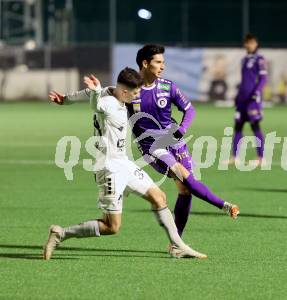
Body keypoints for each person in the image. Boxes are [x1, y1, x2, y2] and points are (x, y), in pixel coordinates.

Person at [49, 45, 239, 238]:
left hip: (175, 141)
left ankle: (177, 242)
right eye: (158, 62)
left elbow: (190, 110)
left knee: (185, 190)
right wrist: (65, 99)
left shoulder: (167, 86)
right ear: (145, 64)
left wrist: (181, 130)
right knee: (183, 176)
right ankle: (224, 205)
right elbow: (94, 94)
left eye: (163, 62)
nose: (162, 66)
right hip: (151, 147)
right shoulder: (130, 91)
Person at [44, 68, 207, 260]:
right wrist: (95, 93)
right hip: (109, 168)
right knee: (111, 227)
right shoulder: (107, 103)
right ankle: (60, 234)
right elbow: (96, 105)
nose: (138, 96)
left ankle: (179, 245)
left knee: (159, 197)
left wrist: (65, 99)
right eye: (136, 93)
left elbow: (85, 93)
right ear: (124, 92)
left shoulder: (112, 90)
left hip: (124, 163)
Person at [227, 34, 268, 165]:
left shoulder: (260, 60)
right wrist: (238, 96)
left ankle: (261, 158)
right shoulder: (244, 60)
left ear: (256, 44)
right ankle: (235, 157)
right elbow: (245, 81)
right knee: (238, 126)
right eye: (247, 43)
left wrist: (257, 92)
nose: (249, 45)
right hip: (242, 100)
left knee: (255, 126)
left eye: (252, 43)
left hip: (252, 100)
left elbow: (263, 79)